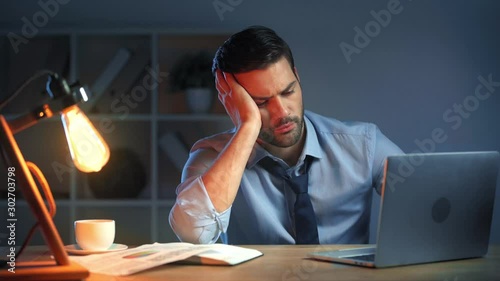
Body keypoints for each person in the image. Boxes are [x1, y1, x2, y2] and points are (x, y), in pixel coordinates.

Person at [169, 25, 403, 245]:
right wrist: (248, 126)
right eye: (260, 103)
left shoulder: (363, 144)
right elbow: (193, 234)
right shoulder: (210, 158)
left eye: (288, 91)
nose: (282, 112)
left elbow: (427, 203)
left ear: (297, 77)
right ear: (232, 103)